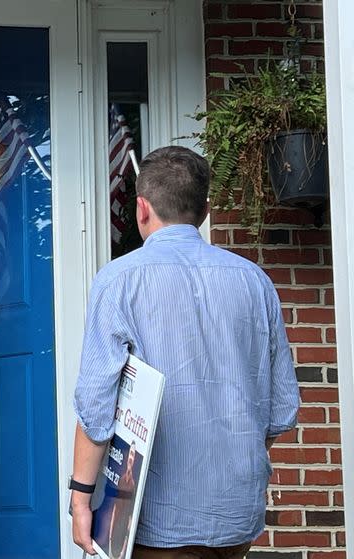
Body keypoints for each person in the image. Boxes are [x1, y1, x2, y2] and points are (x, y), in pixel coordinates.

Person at [70, 146, 299, 559]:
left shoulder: (120, 281)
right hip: (237, 515)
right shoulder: (256, 282)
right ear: (206, 210)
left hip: (156, 519)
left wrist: (80, 499)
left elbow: (95, 408)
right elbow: (282, 409)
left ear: (141, 209)